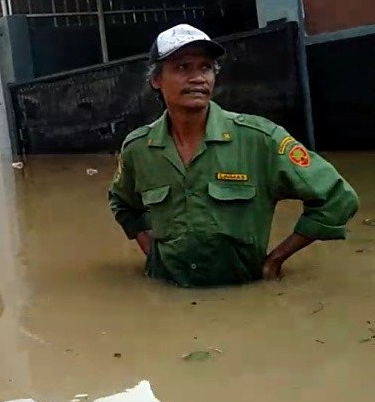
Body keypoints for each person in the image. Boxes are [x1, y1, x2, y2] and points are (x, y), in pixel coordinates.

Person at [108, 24, 359, 288]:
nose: (198, 78)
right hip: (168, 293)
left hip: (245, 296)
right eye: (183, 68)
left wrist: (276, 259)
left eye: (205, 68)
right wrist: (152, 253)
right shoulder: (138, 149)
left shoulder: (259, 139)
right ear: (156, 79)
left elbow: (337, 198)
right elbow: (122, 202)